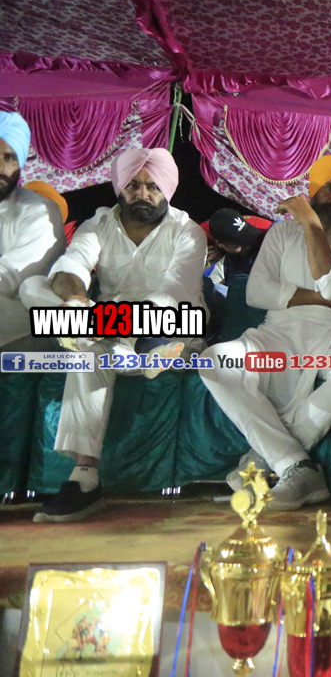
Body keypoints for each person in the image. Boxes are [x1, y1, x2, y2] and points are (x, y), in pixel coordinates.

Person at [26, 148, 207, 523]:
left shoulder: (187, 231)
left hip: (171, 327)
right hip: (109, 331)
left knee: (148, 312)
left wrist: (98, 322)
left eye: (152, 187)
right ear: (120, 188)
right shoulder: (98, 224)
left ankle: (100, 337)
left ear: (167, 190)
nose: (142, 194)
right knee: (34, 288)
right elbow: (71, 266)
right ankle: (85, 478)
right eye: (133, 185)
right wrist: (78, 303)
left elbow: (175, 292)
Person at [200, 155, 331, 511]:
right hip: (278, 334)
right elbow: (256, 293)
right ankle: (296, 466)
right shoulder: (282, 233)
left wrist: (311, 224)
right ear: (313, 191)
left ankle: (268, 460)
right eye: (330, 187)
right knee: (215, 361)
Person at [0, 114, 67, 347]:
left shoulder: (40, 212)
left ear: (20, 162)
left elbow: (8, 276)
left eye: (9, 158)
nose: (0, 167)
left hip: (23, 325)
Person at [205, 208, 268, 286]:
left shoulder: (267, 233)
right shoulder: (223, 265)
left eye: (249, 236)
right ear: (219, 244)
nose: (247, 245)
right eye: (238, 244)